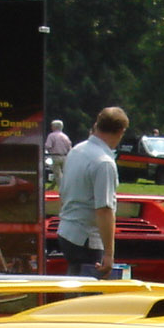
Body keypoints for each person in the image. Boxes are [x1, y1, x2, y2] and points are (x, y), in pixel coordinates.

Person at [55, 106, 127, 277]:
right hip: (86, 238)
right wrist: (109, 254)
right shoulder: (104, 163)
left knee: (73, 288)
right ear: (120, 132)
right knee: (90, 296)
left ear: (97, 124)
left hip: (66, 231)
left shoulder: (77, 150)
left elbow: (62, 192)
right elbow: (104, 210)